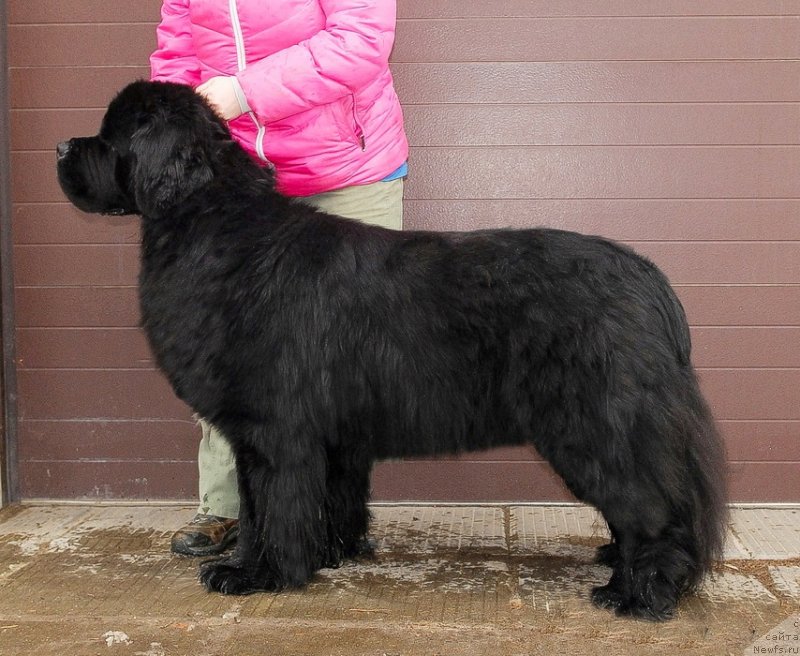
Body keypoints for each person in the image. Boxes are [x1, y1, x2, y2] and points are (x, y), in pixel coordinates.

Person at [149, 0, 409, 556]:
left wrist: (241, 93)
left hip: (346, 169)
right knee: (226, 345)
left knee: (341, 353)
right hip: (236, 174)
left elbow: (360, 39)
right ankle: (225, 506)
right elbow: (177, 53)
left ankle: (330, 515)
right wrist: (176, 123)